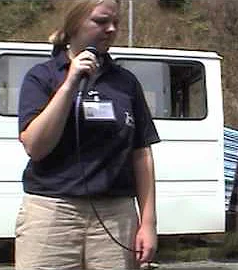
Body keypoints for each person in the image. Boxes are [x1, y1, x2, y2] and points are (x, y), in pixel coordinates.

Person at [16, 0, 160, 269]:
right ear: (74, 24)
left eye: (116, 22)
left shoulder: (125, 82)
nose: (111, 29)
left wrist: (149, 223)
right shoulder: (41, 77)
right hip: (52, 211)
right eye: (101, 21)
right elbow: (36, 147)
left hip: (115, 213)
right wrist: (70, 83)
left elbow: (141, 154)